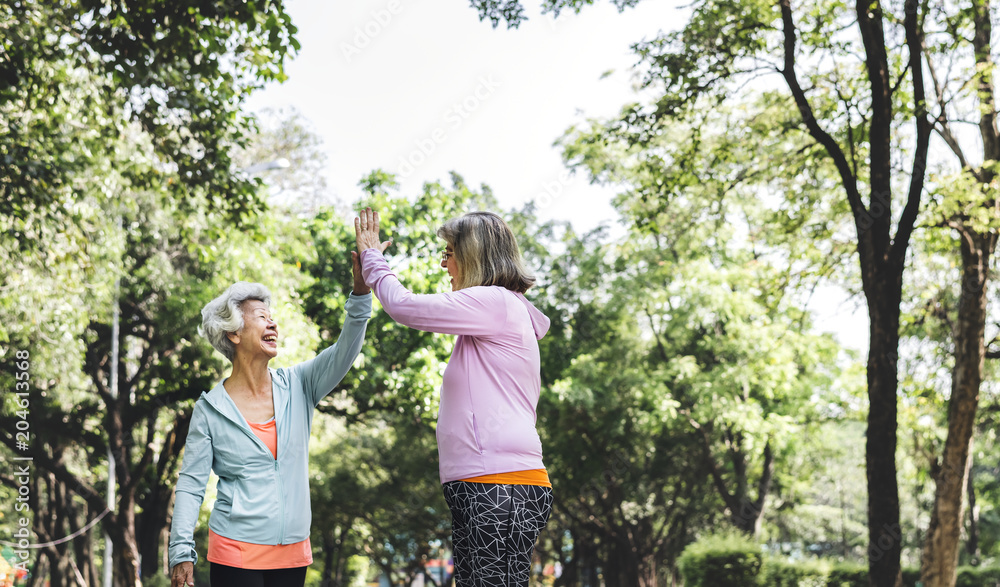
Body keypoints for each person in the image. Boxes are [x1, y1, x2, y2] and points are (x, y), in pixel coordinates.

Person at [354, 207, 554, 587]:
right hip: (486, 484)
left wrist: (372, 259)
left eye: (448, 253)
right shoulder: (493, 316)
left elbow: (404, 307)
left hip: (498, 484)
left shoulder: (496, 303)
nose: (445, 264)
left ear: (473, 255)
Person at [168, 254, 372, 587]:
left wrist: (361, 293)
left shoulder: (300, 384)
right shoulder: (210, 409)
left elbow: (345, 349)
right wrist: (181, 551)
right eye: (262, 317)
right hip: (234, 551)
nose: (273, 324)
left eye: (273, 317)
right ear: (234, 333)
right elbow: (191, 485)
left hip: (292, 552)